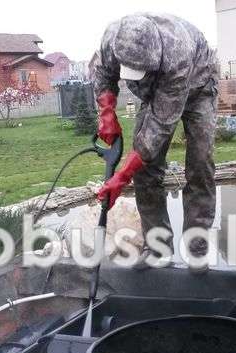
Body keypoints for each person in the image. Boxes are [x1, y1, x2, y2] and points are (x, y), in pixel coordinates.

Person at [92, 13, 218, 271]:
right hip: (156, 95)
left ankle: (197, 249)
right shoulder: (113, 39)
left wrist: (121, 176)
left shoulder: (176, 55)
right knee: (146, 172)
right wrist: (107, 115)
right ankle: (158, 248)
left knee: (200, 164)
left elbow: (158, 130)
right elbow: (103, 74)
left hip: (198, 86)